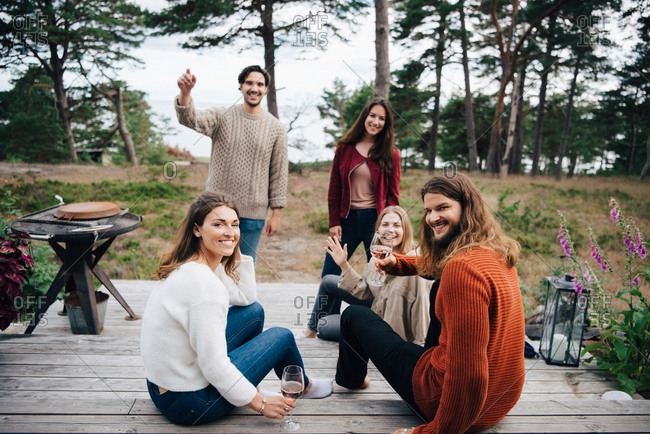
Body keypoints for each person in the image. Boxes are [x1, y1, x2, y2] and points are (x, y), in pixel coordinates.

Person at [335, 174, 525, 433]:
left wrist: (432, 431)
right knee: (437, 285)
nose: (432, 217)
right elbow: (438, 265)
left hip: (449, 403)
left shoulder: (462, 270)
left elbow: (468, 375)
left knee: (354, 315)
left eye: (443, 208)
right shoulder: (497, 252)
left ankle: (352, 380)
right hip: (500, 398)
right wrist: (398, 263)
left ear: (467, 208)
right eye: (428, 210)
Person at [141, 192, 331, 426]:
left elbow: (246, 298)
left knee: (253, 312)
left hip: (161, 387)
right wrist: (260, 402)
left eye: (235, 224)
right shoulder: (205, 288)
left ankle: (247, 383)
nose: (230, 231)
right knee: (282, 336)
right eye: (218, 224)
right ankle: (303, 386)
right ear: (197, 229)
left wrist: (231, 244)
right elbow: (214, 366)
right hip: (190, 403)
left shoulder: (191, 265)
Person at [175, 66, 288, 263]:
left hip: (253, 214)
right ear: (241, 86)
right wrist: (186, 92)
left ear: (266, 89)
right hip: (215, 210)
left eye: (260, 84)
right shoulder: (222, 116)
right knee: (211, 264)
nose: (254, 88)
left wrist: (276, 213)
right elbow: (190, 119)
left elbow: (279, 173)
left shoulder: (276, 128)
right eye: (249, 83)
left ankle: (246, 297)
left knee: (243, 268)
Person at [305, 206, 431, 345]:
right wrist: (343, 264)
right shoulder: (377, 256)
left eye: (397, 225)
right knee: (324, 324)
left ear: (405, 230)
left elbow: (423, 319)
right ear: (378, 230)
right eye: (385, 224)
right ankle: (309, 334)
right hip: (373, 319)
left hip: (391, 338)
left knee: (327, 327)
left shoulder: (415, 265)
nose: (390, 229)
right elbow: (363, 290)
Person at [323, 97, 400, 277]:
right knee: (330, 274)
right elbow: (334, 188)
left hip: (374, 221)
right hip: (346, 220)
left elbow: (393, 196)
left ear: (386, 124)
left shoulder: (391, 154)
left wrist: (391, 226)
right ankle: (326, 306)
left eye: (382, 118)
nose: (376, 121)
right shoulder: (344, 148)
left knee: (377, 274)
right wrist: (334, 221)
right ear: (365, 116)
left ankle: (372, 307)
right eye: (372, 115)